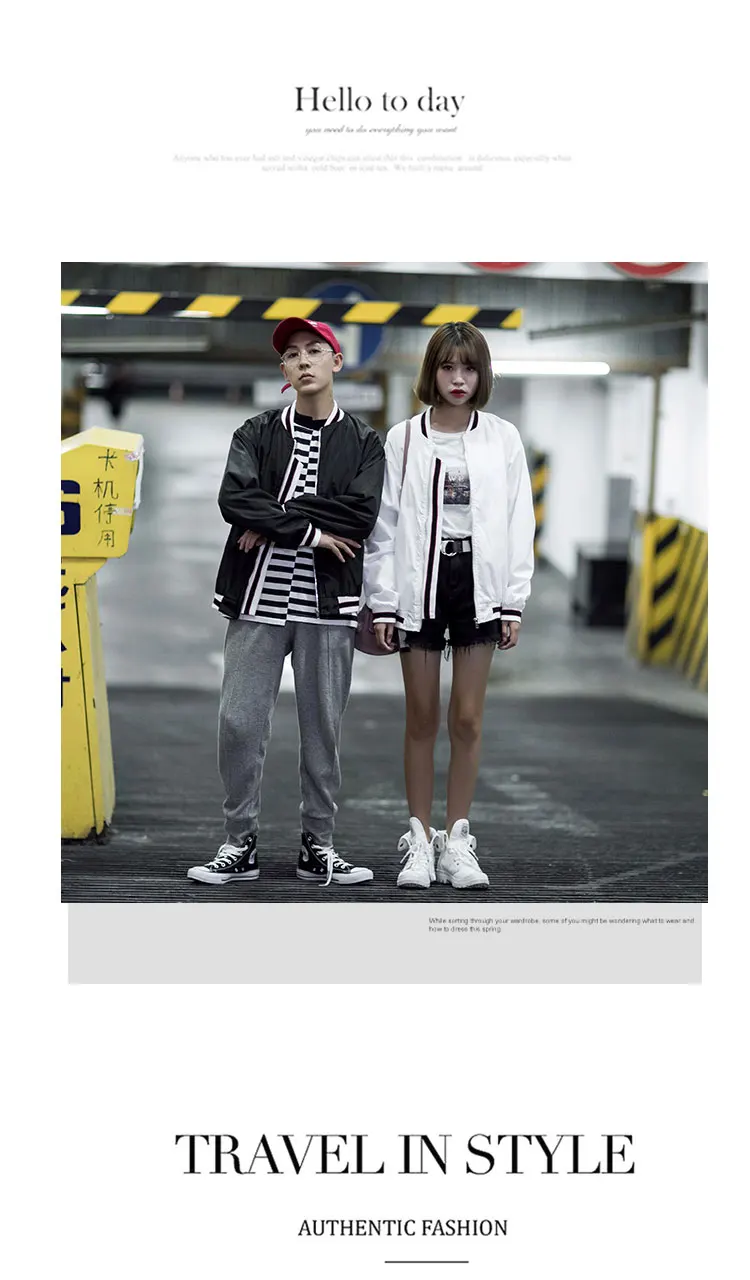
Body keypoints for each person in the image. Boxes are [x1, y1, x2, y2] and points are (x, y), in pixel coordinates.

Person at [187, 318, 385, 888]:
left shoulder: (364, 442)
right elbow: (234, 499)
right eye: (292, 354)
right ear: (283, 370)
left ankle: (318, 845)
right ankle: (239, 842)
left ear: (335, 362)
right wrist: (309, 532)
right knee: (239, 723)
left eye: (314, 351)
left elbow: (359, 515)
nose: (303, 361)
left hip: (328, 605)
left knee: (323, 730)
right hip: (257, 600)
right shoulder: (255, 432)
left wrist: (274, 517)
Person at [363, 322, 535, 890]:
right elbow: (384, 526)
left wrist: (512, 600)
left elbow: (519, 520)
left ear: (482, 375)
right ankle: (419, 840)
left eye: (469, 368)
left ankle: (457, 842)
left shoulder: (502, 438)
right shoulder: (403, 439)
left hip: (477, 585)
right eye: (447, 367)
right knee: (422, 716)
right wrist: (383, 602)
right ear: (431, 372)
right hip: (419, 584)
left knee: (467, 717)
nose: (458, 379)